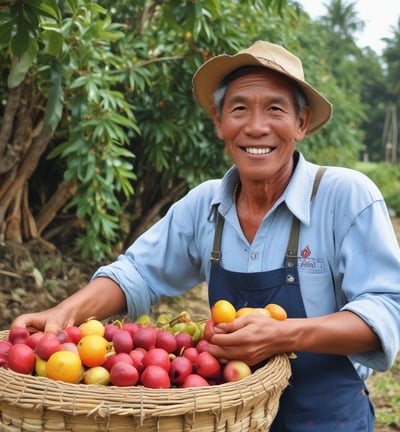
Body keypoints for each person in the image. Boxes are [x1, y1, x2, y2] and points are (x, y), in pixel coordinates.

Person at [12, 41, 400, 430]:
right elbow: (137, 273)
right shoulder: (205, 205)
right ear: (219, 123)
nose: (256, 126)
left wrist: (284, 334)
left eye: (276, 109)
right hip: (228, 417)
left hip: (327, 417)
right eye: (239, 108)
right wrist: (62, 314)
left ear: (301, 123)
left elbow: (386, 310)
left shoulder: (345, 196)